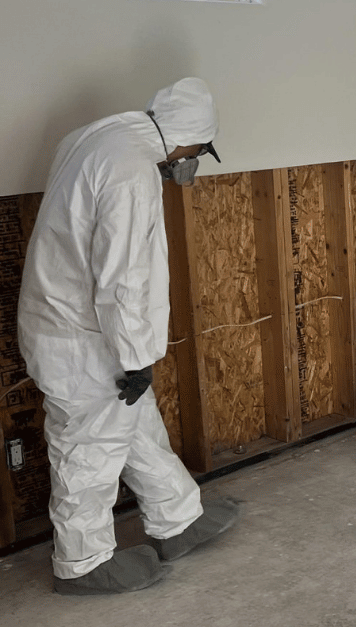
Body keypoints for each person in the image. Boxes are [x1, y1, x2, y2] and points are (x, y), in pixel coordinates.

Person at [18, 77, 238, 596]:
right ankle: (83, 562)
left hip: (73, 320)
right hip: (81, 337)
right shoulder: (133, 173)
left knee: (135, 426)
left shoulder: (98, 137)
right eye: (199, 151)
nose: (191, 163)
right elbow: (123, 277)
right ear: (189, 139)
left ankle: (178, 520)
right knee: (88, 446)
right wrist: (137, 357)